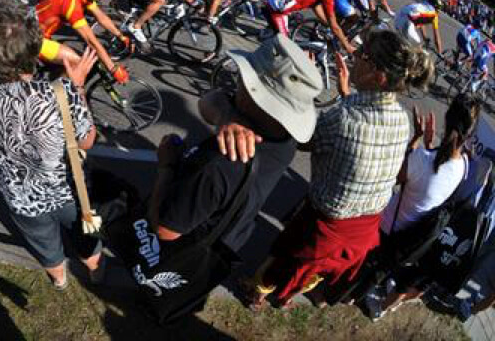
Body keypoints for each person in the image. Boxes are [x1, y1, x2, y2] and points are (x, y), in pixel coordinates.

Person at [206, 29, 434, 307]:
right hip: (366, 225)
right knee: (314, 271)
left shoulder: (344, 117)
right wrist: (346, 94)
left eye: (363, 56)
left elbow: (303, 137)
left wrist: (302, 89)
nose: (354, 58)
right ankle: (286, 297)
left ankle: (257, 293)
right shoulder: (401, 119)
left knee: (286, 257)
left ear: (379, 76)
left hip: (327, 221)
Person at [0, 0, 105, 289]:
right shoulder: (60, 93)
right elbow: (87, 141)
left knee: (45, 246)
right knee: (85, 239)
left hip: (21, 198)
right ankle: (96, 274)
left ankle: (60, 280)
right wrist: (76, 88)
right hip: (68, 191)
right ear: (35, 48)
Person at [150, 35, 323, 255]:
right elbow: (211, 100)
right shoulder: (285, 137)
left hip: (182, 256)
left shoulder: (219, 165)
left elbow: (164, 232)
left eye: (243, 77)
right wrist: (228, 116)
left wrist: (167, 166)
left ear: (254, 95)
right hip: (225, 246)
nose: (238, 81)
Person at [365, 94, 481, 318]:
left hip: (386, 228)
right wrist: (428, 146)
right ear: (470, 135)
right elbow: (434, 178)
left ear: (446, 120)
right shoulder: (464, 166)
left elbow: (392, 177)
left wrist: (416, 139)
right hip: (413, 237)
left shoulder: (423, 158)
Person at [35, 0, 130, 84]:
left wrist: (120, 35)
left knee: (62, 65)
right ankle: (59, 98)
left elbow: (101, 17)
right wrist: (112, 68)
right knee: (77, 62)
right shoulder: (71, 1)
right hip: (30, 38)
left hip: (38, 32)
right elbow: (91, 41)